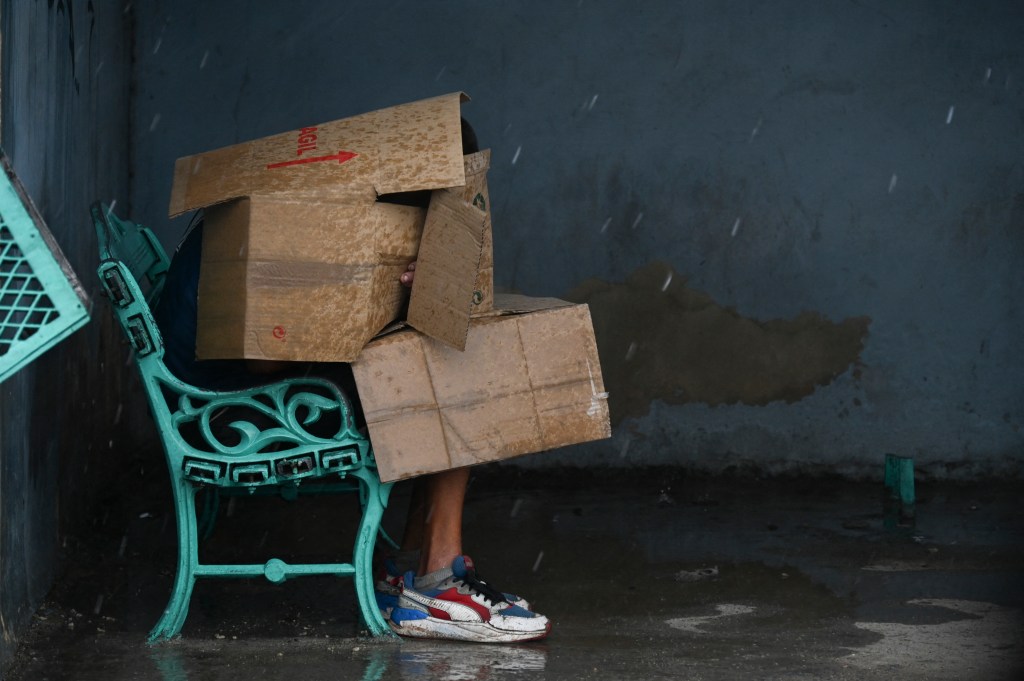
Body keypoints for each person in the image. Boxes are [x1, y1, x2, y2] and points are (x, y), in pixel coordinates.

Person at [153, 123, 550, 644]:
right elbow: (265, 366)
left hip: (208, 394)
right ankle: (437, 579)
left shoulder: (304, 189)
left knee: (435, 348)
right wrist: (391, 298)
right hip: (225, 410)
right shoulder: (299, 219)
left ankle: (411, 571)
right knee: (452, 370)